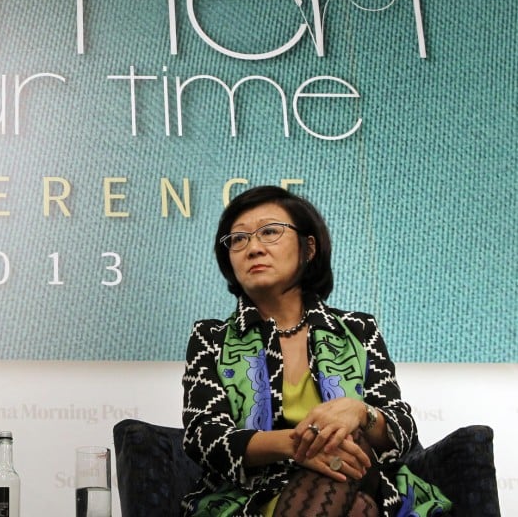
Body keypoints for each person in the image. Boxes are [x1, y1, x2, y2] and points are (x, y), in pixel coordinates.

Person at [180, 186, 450, 516]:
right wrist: (299, 447)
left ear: (308, 248)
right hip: (254, 498)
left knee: (349, 444)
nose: (253, 248)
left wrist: (360, 412)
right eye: (238, 239)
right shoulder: (212, 338)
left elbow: (402, 428)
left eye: (269, 232)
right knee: (357, 507)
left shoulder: (357, 330)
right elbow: (205, 437)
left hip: (364, 478)